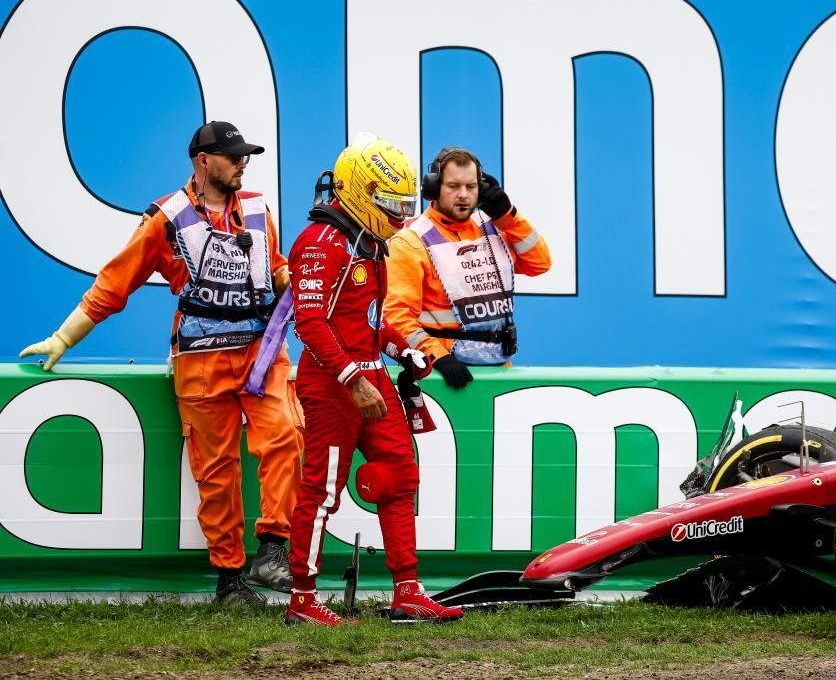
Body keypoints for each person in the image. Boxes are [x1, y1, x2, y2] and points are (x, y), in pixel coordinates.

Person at [19, 121, 301, 605]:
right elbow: (115, 283)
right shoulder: (165, 218)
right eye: (233, 156)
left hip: (262, 352)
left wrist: (290, 277)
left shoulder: (258, 208)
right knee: (216, 471)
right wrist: (64, 337)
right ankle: (229, 581)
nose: (242, 163)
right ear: (203, 161)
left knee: (286, 435)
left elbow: (273, 267)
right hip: (201, 358)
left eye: (245, 156)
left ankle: (273, 549)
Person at [284, 133, 464, 626]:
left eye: (405, 204)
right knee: (322, 490)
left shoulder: (368, 242)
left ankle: (408, 591)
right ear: (361, 192)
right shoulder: (319, 243)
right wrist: (352, 379)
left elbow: (365, 320)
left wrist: (403, 349)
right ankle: (303, 600)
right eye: (390, 203)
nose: (400, 215)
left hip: (371, 375)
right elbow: (310, 323)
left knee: (400, 476)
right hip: (332, 383)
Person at [384, 147, 550, 388]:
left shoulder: (496, 228)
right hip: (442, 376)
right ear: (433, 189)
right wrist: (435, 355)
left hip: (500, 371)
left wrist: (508, 215)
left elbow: (540, 263)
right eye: (453, 186)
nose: (463, 195)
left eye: (471, 187)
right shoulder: (410, 242)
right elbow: (395, 317)